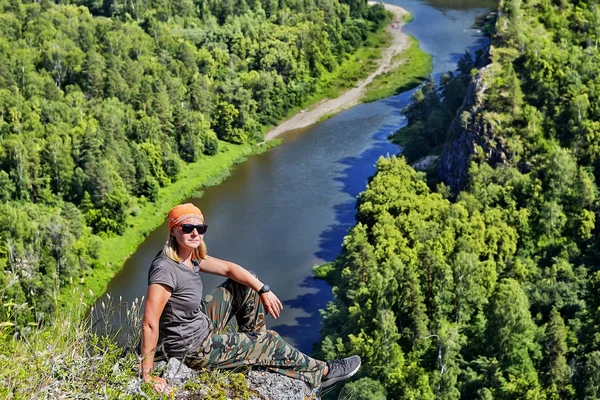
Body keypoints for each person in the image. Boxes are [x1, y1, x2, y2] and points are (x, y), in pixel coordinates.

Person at [141, 203, 361, 393]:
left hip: (199, 327)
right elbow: (149, 324)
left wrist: (263, 289)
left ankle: (255, 351)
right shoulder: (165, 269)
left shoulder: (190, 257)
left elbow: (228, 269)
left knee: (246, 283)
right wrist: (147, 375)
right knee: (271, 340)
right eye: (187, 228)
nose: (195, 233)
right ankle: (322, 372)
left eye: (200, 228)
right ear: (173, 231)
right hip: (191, 350)